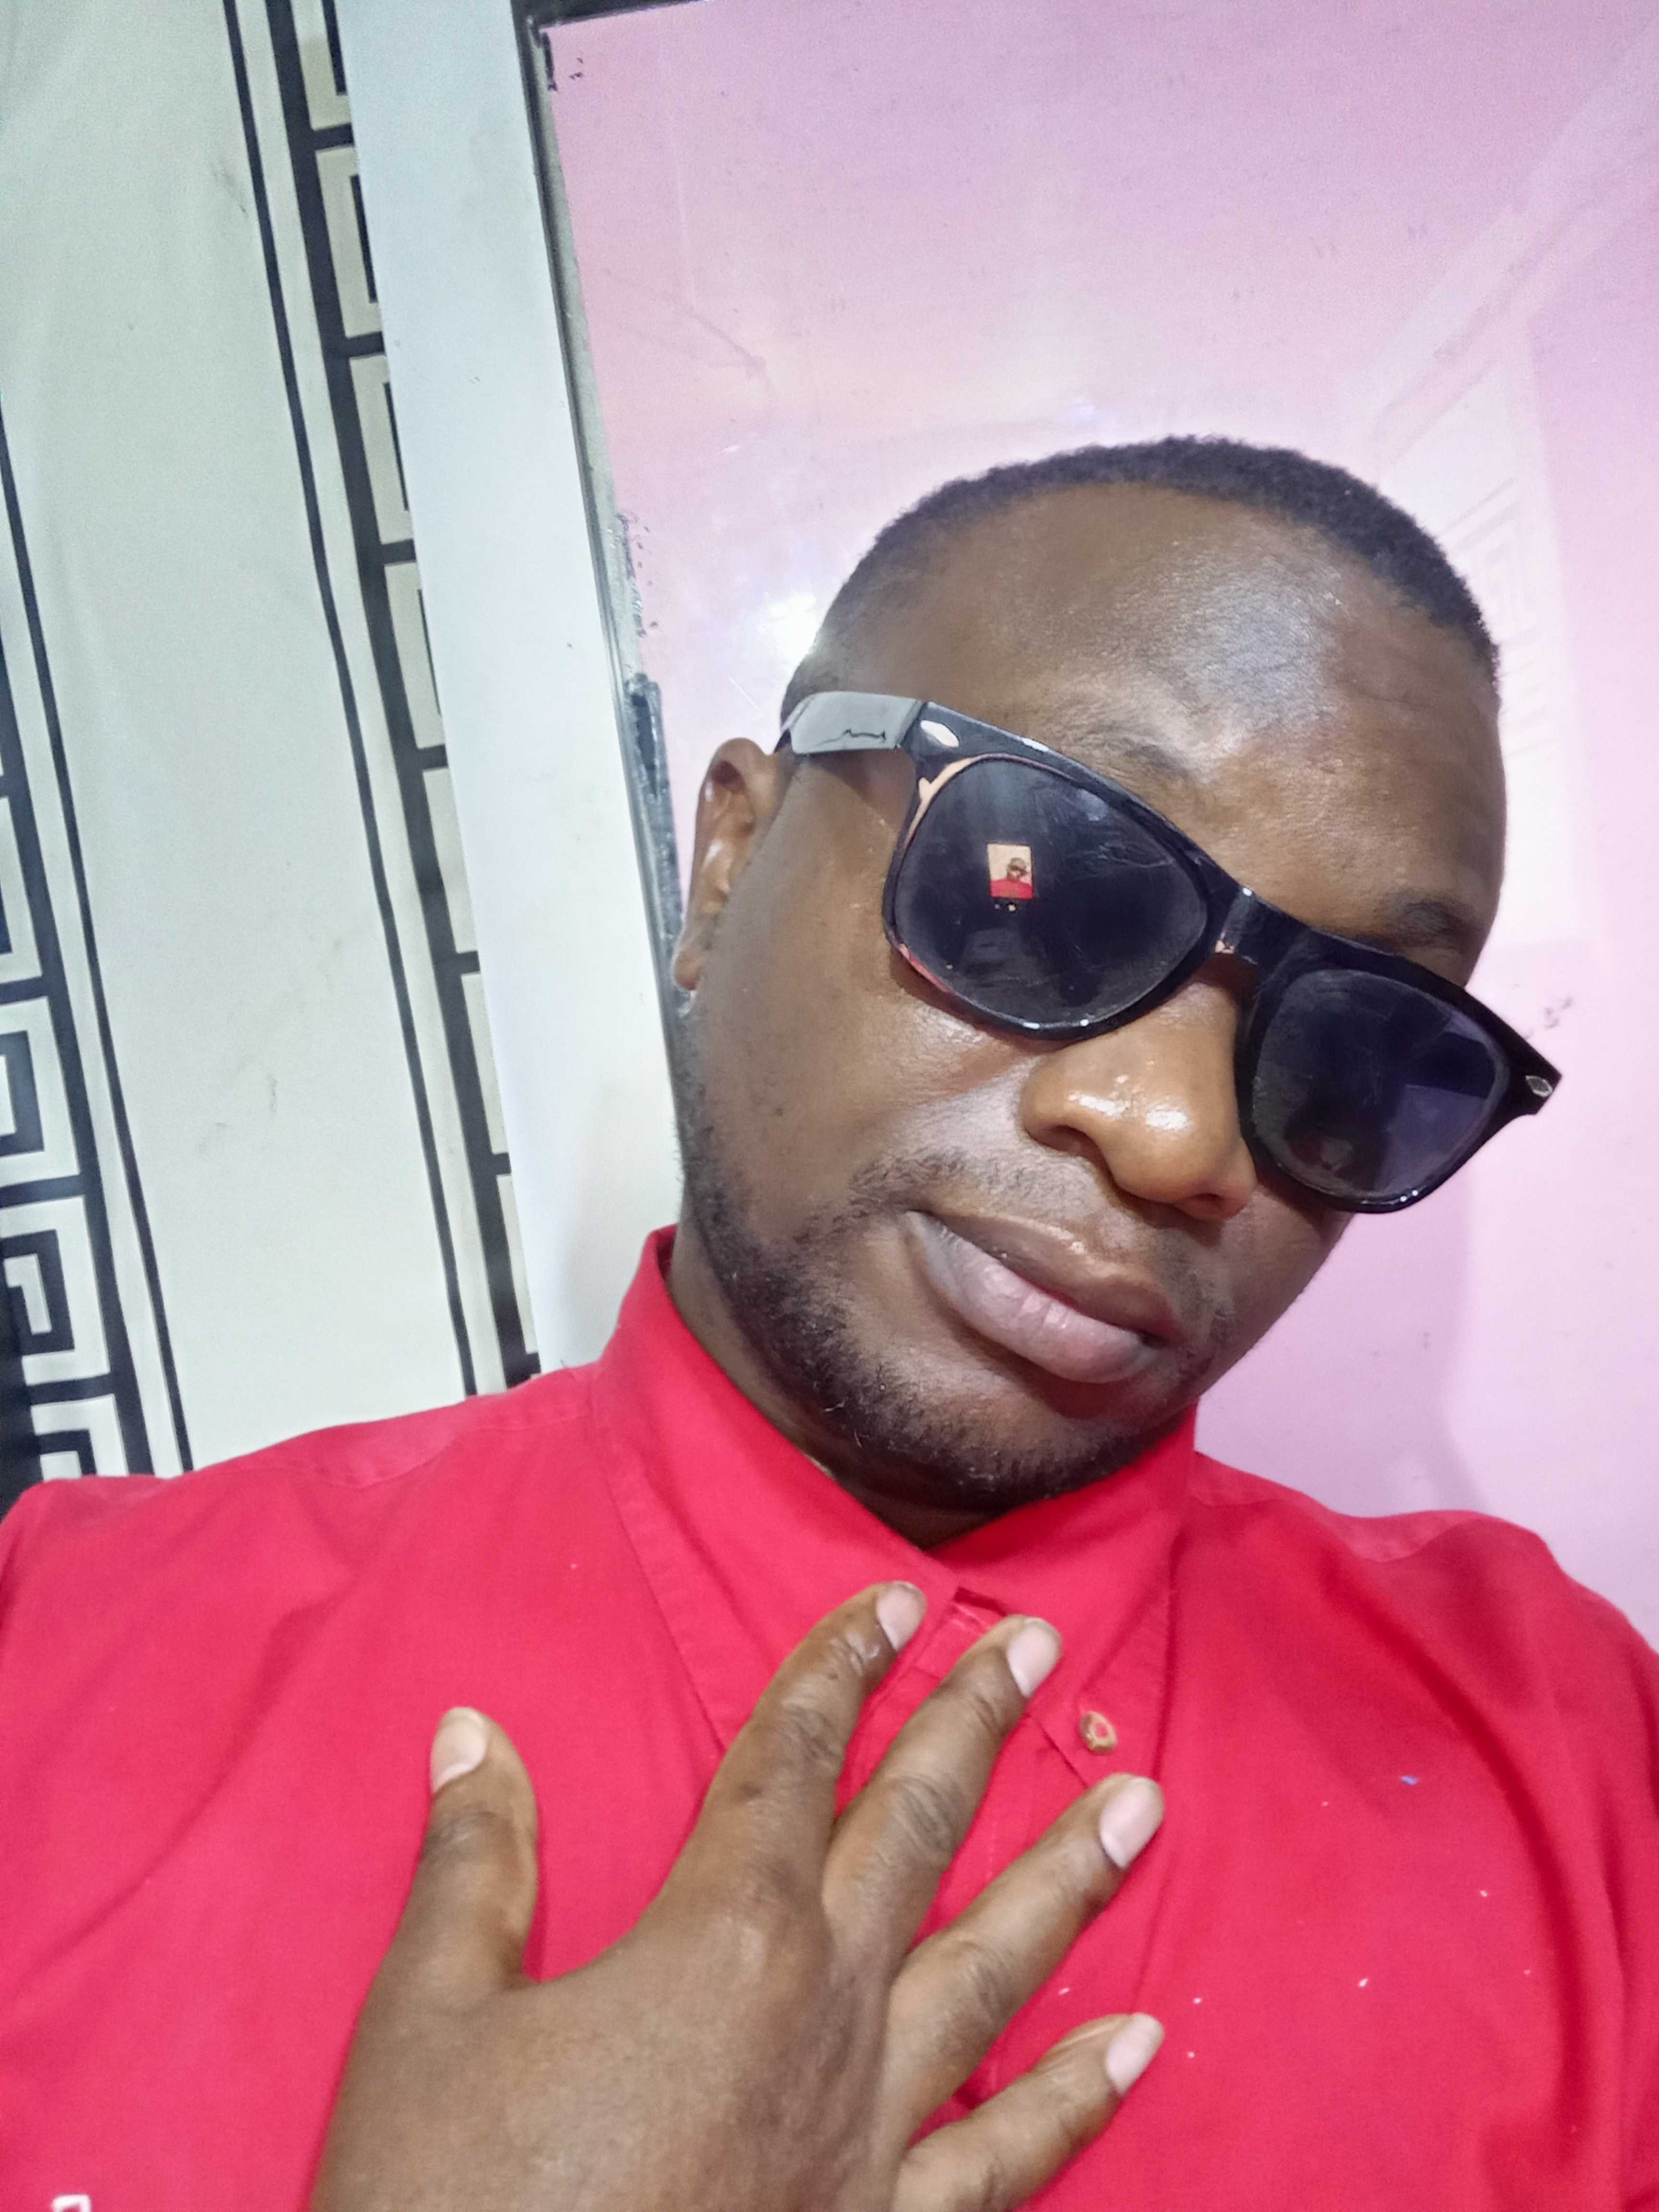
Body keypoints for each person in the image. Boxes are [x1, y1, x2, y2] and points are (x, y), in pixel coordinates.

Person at [0, 438, 1653, 2211]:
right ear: (729, 858)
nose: (1180, 1137)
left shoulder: (1571, 1766)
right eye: (1045, 885)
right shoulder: (68, 1666)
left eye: (1364, 1047)